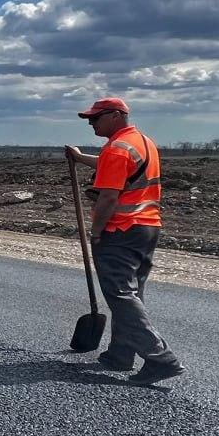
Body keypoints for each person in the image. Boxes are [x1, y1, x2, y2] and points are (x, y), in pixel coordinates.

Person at [66, 97, 185, 385]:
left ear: (117, 115)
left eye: (96, 118)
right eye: (89, 119)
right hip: (146, 229)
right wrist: (81, 158)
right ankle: (120, 354)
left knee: (120, 294)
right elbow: (113, 165)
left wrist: (97, 231)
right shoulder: (140, 142)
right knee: (130, 294)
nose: (91, 123)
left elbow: (108, 196)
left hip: (121, 230)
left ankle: (160, 358)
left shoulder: (118, 149)